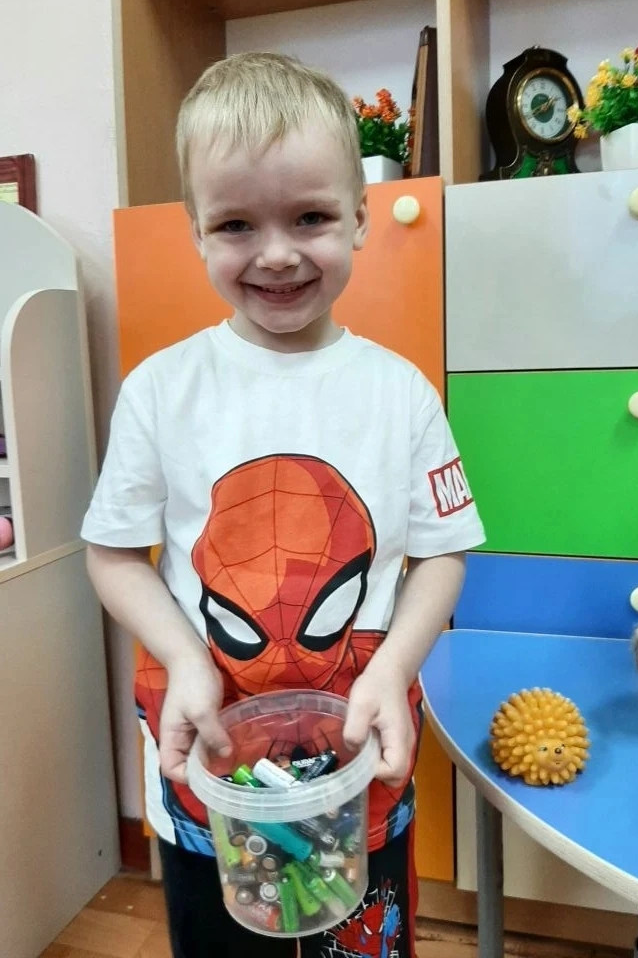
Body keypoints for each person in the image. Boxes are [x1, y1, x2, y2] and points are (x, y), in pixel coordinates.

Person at [81, 51, 486, 958]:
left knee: (363, 944)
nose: (275, 253)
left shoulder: (402, 393)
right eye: (235, 223)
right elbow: (112, 554)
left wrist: (390, 671)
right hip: (211, 764)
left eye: (309, 217)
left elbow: (443, 553)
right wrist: (184, 657)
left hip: (361, 757)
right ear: (194, 230)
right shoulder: (161, 391)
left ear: (360, 216)